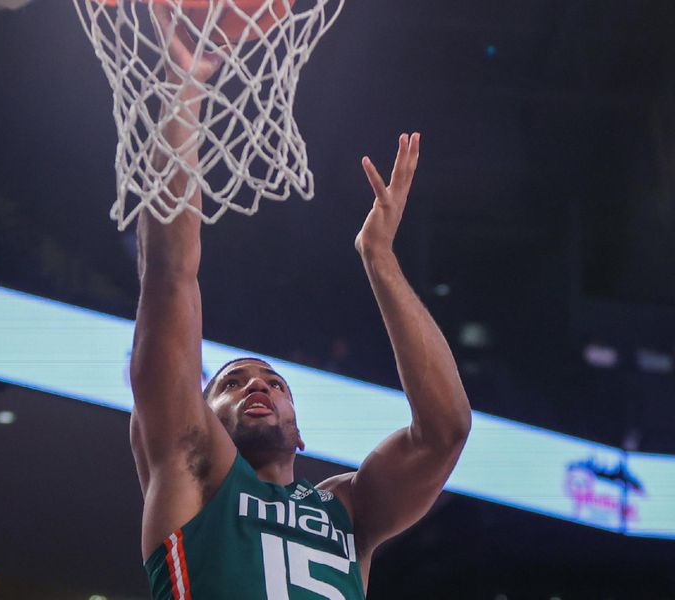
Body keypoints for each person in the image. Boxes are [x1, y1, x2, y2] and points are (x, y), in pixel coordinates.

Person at [129, 10, 471, 599]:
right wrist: (184, 95)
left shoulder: (346, 510)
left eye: (274, 382)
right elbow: (169, 276)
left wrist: (380, 257)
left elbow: (445, 432)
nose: (257, 386)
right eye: (231, 382)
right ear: (202, 414)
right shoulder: (192, 468)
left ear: (301, 435)